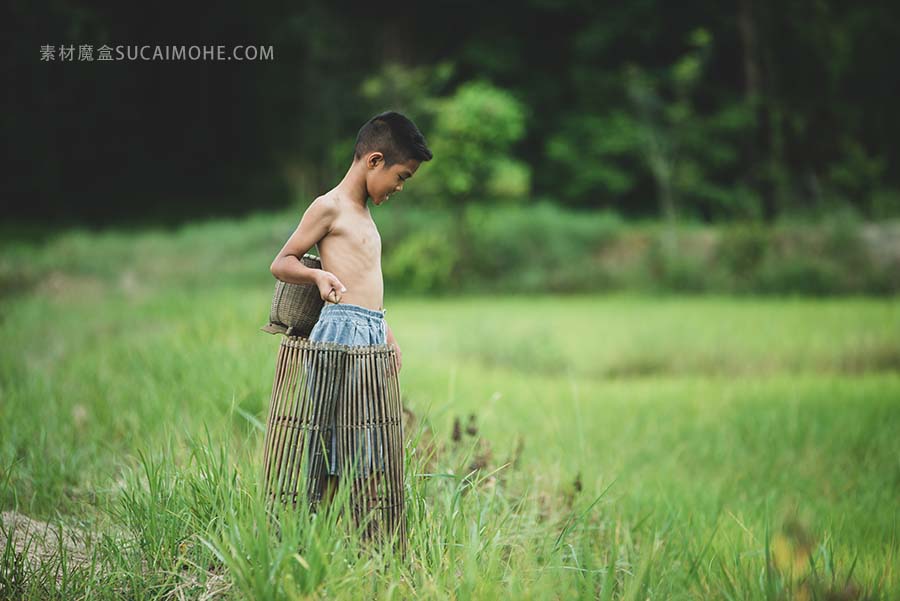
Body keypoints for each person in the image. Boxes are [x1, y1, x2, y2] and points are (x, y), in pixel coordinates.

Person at [269, 111, 432, 508]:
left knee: (365, 437)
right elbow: (283, 261)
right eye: (401, 176)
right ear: (374, 161)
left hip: (370, 332)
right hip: (340, 333)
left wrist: (385, 331)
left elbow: (367, 284)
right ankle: (320, 520)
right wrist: (318, 278)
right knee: (332, 437)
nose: (400, 187)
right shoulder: (330, 206)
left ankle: (355, 526)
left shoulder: (366, 216)